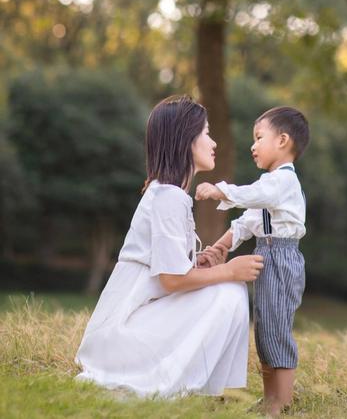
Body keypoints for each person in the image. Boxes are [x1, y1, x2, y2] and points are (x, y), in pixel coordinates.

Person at [75, 95, 263, 398]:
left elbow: (169, 272)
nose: (213, 143)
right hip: (121, 338)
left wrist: (197, 263)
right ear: (186, 139)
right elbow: (171, 280)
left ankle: (208, 389)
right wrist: (228, 271)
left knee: (226, 289)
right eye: (206, 133)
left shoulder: (167, 193)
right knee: (229, 291)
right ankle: (189, 387)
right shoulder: (168, 198)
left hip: (125, 330)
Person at [195, 106, 309, 416]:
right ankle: (270, 396)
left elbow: (254, 196)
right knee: (263, 329)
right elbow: (247, 222)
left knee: (276, 328)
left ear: (283, 140)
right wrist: (220, 247)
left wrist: (221, 191)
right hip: (266, 253)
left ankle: (282, 401)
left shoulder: (281, 183)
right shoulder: (270, 188)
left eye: (259, 138)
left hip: (282, 257)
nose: (253, 145)